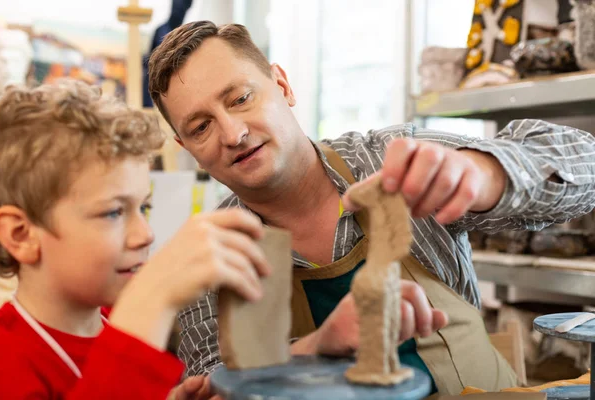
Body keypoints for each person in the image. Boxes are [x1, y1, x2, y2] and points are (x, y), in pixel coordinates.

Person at [148, 21, 595, 397]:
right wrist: (317, 348)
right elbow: (209, 386)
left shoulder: (388, 159)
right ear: (185, 147)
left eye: (240, 98)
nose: (233, 133)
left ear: (282, 86)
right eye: (201, 126)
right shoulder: (206, 260)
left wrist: (484, 175)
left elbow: (585, 163)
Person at [0, 79, 273, 399]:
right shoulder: (4, 362)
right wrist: (153, 300)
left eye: (144, 207)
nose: (146, 234)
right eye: (113, 212)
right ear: (21, 234)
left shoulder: (117, 322)